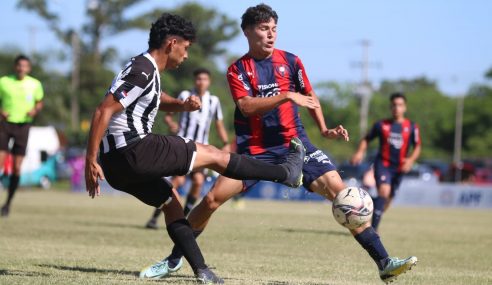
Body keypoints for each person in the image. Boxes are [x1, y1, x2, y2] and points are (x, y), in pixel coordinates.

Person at [144, 4, 417, 283]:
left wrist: (324, 129)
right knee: (211, 200)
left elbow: (309, 96)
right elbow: (247, 106)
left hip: (296, 146)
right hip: (255, 152)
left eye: (274, 29)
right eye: (264, 29)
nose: (271, 35)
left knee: (345, 197)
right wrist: (286, 96)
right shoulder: (238, 69)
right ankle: (174, 260)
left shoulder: (291, 61)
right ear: (248, 32)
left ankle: (384, 262)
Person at [84, 13, 305, 283]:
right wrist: (89, 160)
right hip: (133, 148)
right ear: (171, 44)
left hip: (117, 167)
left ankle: (202, 271)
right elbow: (103, 110)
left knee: (172, 204)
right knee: (214, 155)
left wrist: (181, 105)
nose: (186, 55)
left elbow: (151, 97)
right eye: (185, 48)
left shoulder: (144, 68)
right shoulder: (143, 68)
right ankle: (285, 173)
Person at [145, 68, 230, 229]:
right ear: (194, 81)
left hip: (202, 150)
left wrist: (225, 142)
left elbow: (218, 124)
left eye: (204, 79)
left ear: (209, 82)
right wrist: (172, 124)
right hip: (182, 147)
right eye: (198, 79)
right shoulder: (185, 95)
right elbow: (168, 114)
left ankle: (181, 220)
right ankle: (154, 218)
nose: (201, 82)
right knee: (177, 182)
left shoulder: (214, 101)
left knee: (198, 182)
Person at [351, 92, 421, 231]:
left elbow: (417, 146)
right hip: (383, 164)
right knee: (384, 192)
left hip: (400, 168)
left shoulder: (412, 127)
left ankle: (366, 207)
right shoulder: (381, 125)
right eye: (394, 105)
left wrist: (411, 160)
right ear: (391, 107)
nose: (397, 108)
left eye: (400, 105)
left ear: (405, 107)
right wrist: (360, 152)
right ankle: (373, 231)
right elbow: (367, 138)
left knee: (388, 200)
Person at [0, 55, 44, 217]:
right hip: (5, 124)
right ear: (15, 66)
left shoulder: (35, 84)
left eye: (25, 66)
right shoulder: (4, 81)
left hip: (23, 126)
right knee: (1, 161)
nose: (21, 68)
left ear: (29, 68)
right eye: (19, 65)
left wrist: (35, 110)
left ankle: (7, 204)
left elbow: (39, 102)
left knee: (17, 167)